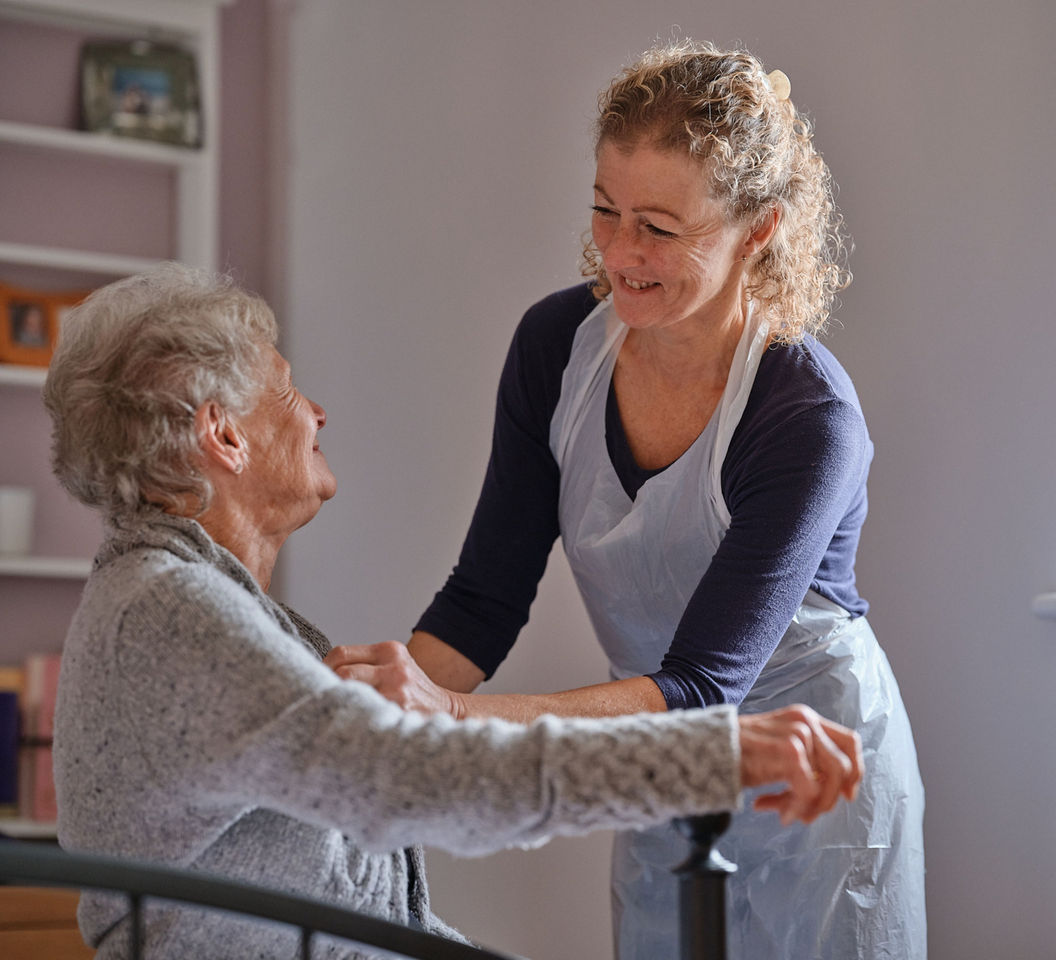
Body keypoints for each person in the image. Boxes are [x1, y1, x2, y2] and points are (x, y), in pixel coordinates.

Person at [43, 264, 864, 960]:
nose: (315, 413)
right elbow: (420, 778)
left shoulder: (197, 604)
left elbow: (373, 885)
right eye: (287, 392)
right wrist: (705, 755)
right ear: (223, 436)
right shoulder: (173, 613)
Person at [327, 39, 925, 960]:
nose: (620, 253)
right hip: (656, 761)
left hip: (817, 784)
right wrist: (367, 733)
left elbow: (699, 686)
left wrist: (446, 720)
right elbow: (484, 602)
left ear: (757, 229)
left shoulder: (804, 412)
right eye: (606, 212)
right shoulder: (555, 348)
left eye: (659, 226)